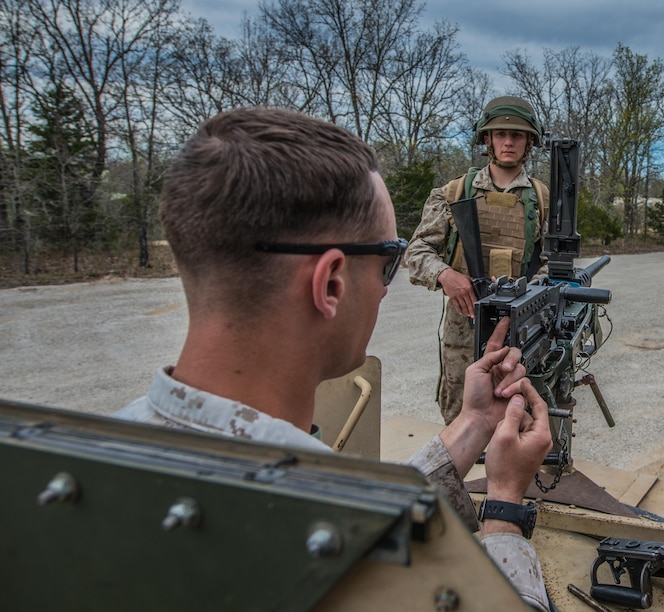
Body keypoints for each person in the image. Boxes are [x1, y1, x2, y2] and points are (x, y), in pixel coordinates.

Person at [112, 107, 554, 610]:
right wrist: (502, 509)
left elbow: (359, 510)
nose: (386, 290)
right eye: (386, 261)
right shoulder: (311, 523)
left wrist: (472, 424)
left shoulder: (98, 458)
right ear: (330, 284)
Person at [405, 96, 549, 424]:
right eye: (500, 134)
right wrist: (446, 275)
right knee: (459, 417)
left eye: (517, 135)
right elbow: (416, 253)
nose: (508, 141)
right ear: (487, 139)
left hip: (523, 328)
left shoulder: (543, 200)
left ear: (529, 142)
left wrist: (526, 290)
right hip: (464, 327)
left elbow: (555, 264)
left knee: (519, 417)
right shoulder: (453, 193)